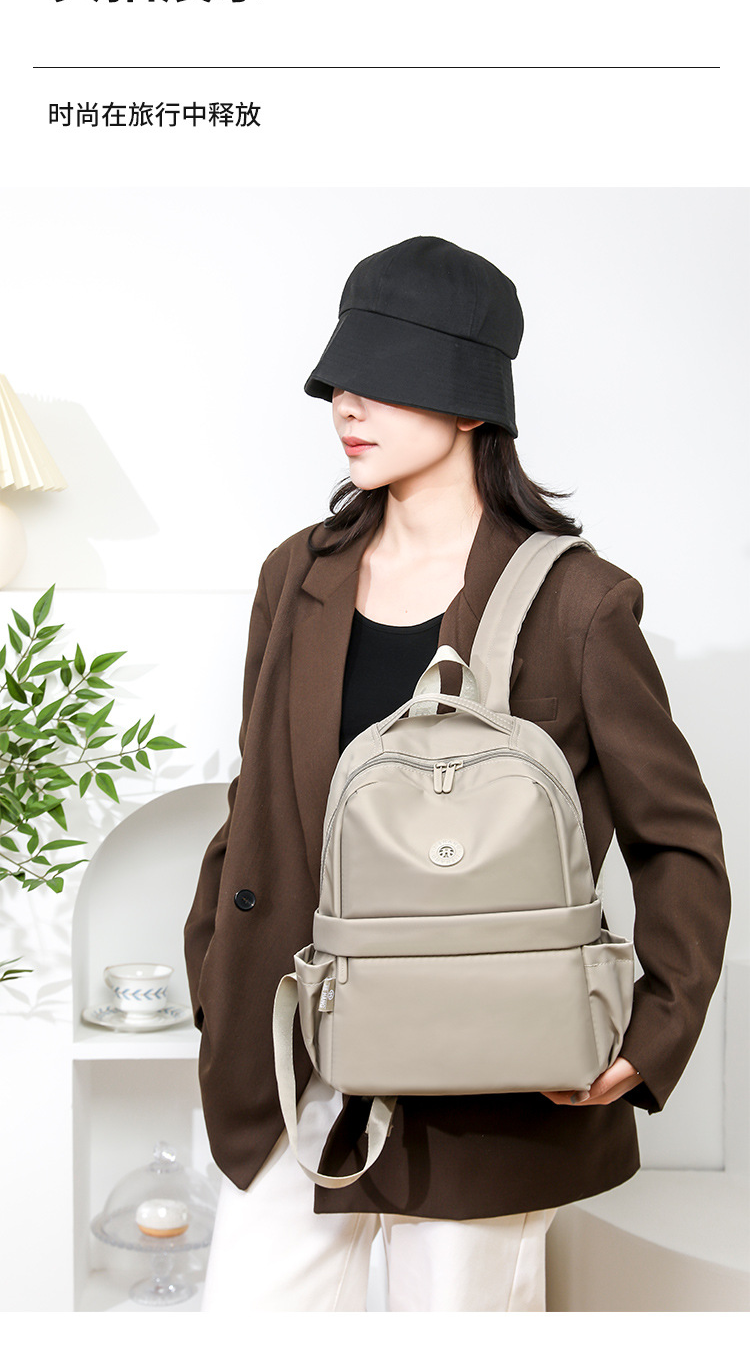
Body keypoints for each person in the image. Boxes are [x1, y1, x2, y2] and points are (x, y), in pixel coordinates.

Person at [184, 235, 731, 1312]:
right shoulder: (296, 576)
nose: (347, 405)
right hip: (298, 1058)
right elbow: (258, 800)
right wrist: (215, 970)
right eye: (339, 381)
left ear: (472, 401)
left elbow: (677, 837)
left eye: (381, 377)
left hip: (490, 1081)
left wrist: (653, 1031)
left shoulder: (579, 601)